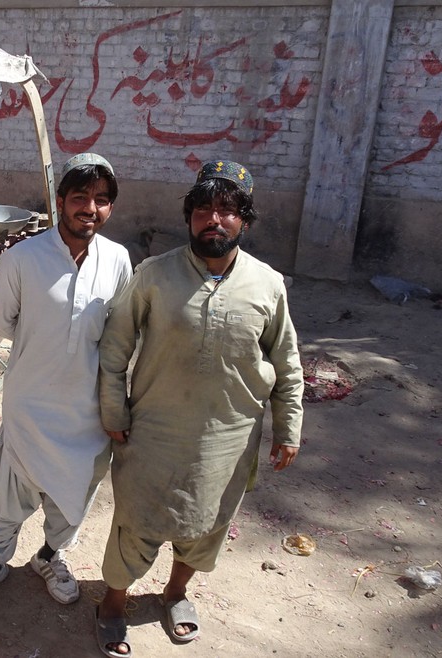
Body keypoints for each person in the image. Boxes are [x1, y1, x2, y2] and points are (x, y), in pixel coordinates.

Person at [93, 160, 304, 657]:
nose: (214, 219)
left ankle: (176, 594)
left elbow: (286, 362)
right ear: (189, 217)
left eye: (227, 210)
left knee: (206, 524)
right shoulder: (153, 275)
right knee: (136, 524)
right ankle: (113, 603)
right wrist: (113, 411)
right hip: (155, 433)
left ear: (244, 221)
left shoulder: (268, 284)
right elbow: (115, 349)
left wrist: (288, 428)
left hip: (229, 438)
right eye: (203, 209)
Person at [0, 153, 133, 609]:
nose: (90, 208)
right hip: (29, 405)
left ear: (110, 208)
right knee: (7, 497)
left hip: (87, 413)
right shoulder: (22, 259)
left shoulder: (118, 260)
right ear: (60, 201)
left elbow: (120, 332)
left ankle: (50, 556)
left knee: (72, 496)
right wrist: (48, 346)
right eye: (80, 197)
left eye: (101, 200)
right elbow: (4, 323)